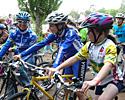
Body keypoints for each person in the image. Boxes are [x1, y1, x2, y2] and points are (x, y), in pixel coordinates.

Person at [47, 13, 124, 100]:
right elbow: (75, 57)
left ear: (100, 32)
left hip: (113, 80)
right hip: (100, 81)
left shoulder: (110, 46)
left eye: (90, 31)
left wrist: (94, 81)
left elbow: (108, 65)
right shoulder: (89, 45)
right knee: (81, 94)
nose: (87, 34)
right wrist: (57, 68)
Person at [14, 11, 83, 78]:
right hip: (68, 59)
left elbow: (62, 49)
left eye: (51, 26)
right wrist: (21, 54)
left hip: (79, 59)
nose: (49, 28)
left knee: (77, 85)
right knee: (66, 85)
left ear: (59, 25)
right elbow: (40, 44)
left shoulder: (71, 33)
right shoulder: (56, 34)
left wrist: (55, 67)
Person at [0, 11, 37, 95]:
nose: (22, 24)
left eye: (25, 22)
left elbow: (31, 51)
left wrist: (20, 58)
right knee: (9, 76)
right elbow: (6, 46)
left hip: (29, 56)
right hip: (17, 56)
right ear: (17, 22)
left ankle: (30, 87)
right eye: (20, 21)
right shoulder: (14, 33)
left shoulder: (32, 35)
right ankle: (11, 96)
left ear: (28, 22)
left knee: (18, 67)